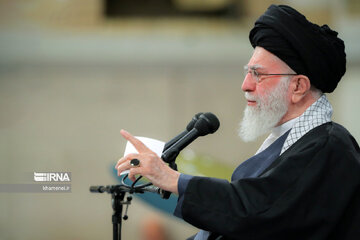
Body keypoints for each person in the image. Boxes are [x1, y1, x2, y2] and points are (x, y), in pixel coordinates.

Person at [116, 4, 360, 240]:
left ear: (298, 86)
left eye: (258, 74)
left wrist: (173, 180)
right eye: (247, 72)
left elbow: (257, 211)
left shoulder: (329, 147)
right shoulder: (289, 141)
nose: (245, 85)